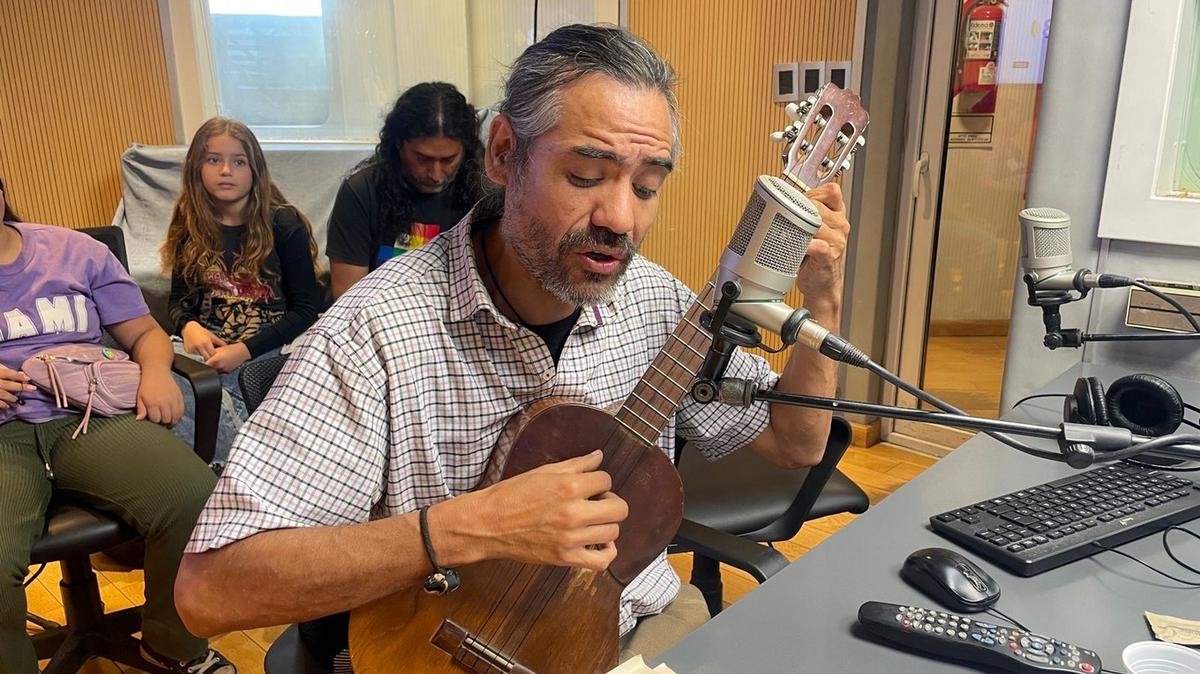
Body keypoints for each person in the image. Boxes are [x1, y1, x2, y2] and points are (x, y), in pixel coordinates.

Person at [175, 23, 850, 668]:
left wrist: (822, 301)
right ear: (503, 154)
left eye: (647, 187)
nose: (621, 217)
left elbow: (796, 446)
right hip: (445, 651)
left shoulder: (660, 305)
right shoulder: (375, 330)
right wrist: (466, 529)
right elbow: (210, 590)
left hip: (624, 634)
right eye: (586, 176)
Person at [0, 177, 235, 673]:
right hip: (4, 438)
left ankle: (173, 649)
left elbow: (145, 332)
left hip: (89, 415)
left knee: (194, 495)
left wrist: (155, 374)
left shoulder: (72, 251)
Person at [161, 117, 322, 464]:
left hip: (270, 345)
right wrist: (189, 327)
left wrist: (244, 351)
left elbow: (307, 311)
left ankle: (228, 470)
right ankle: (193, 473)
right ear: (196, 168)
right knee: (159, 384)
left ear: (255, 170)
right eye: (213, 160)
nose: (225, 171)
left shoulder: (283, 223)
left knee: (211, 393)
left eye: (238, 161)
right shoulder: (189, 222)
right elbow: (177, 304)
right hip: (208, 344)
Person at [326, 81, 486, 298]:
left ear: (465, 151)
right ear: (399, 144)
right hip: (381, 319)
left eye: (448, 160)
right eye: (422, 158)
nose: (435, 175)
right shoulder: (362, 191)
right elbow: (347, 298)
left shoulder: (484, 190)